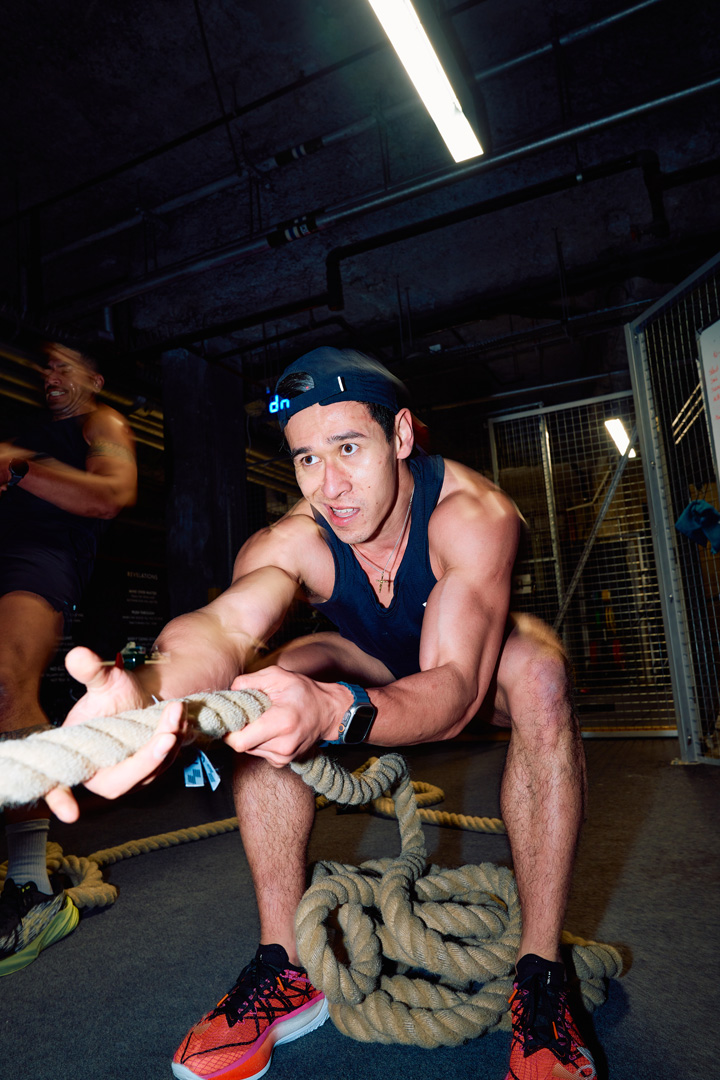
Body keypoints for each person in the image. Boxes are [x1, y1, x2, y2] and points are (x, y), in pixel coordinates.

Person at [46, 346, 592, 1080]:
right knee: (262, 685)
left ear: (401, 436)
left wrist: (337, 712)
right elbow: (223, 627)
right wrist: (149, 692)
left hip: (472, 664)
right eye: (307, 458)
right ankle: (287, 965)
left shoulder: (472, 515)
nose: (329, 485)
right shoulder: (293, 541)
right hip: (367, 657)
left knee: (543, 674)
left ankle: (541, 976)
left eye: (348, 448)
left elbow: (455, 690)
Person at [0, 339, 137, 976]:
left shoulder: (100, 422)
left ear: (94, 378)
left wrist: (18, 469)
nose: (49, 375)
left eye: (64, 365)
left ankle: (30, 884)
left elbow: (110, 494)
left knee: (6, 685)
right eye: (45, 365)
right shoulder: (21, 429)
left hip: (37, 561)